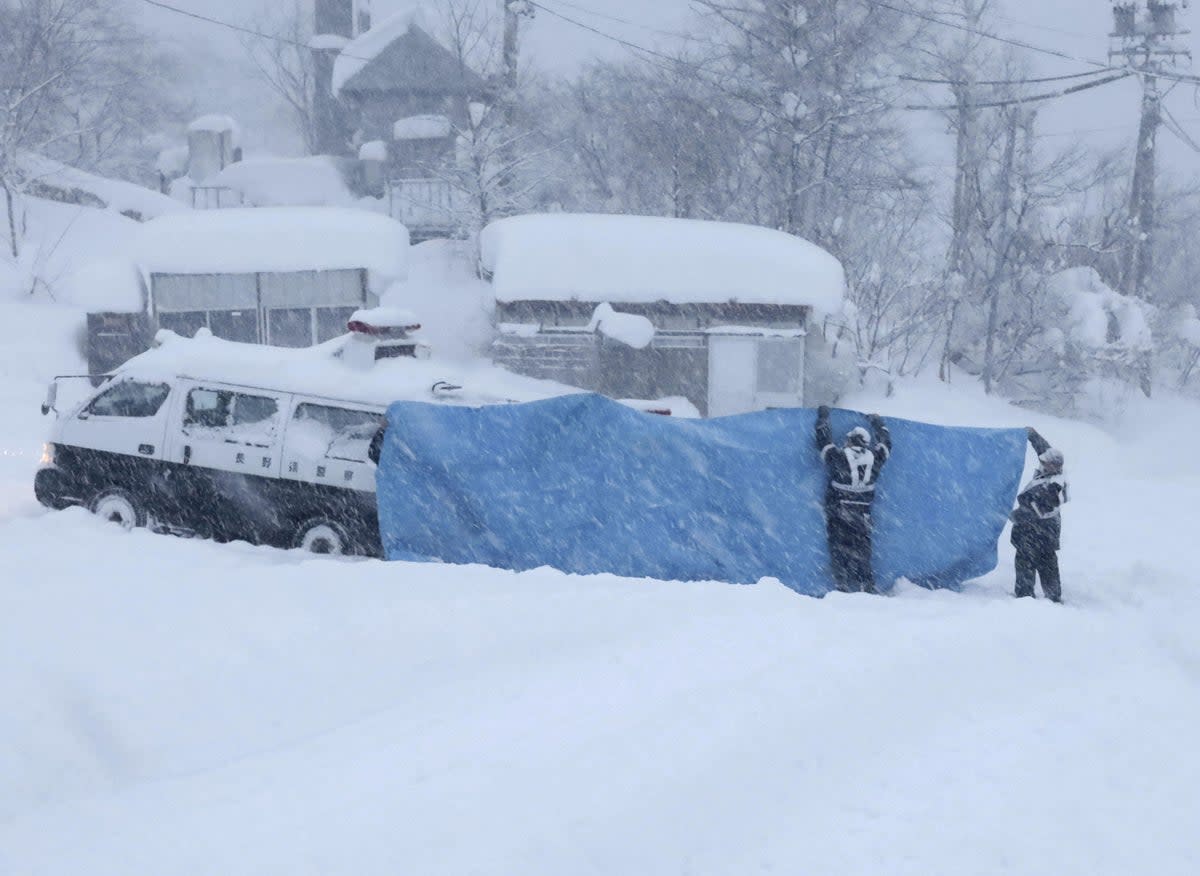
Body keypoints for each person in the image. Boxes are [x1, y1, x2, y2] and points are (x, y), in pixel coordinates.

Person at [815, 405, 891, 593]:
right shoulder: (875, 458)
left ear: (849, 441)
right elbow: (886, 444)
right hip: (862, 514)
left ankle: (842, 583)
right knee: (863, 551)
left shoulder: (839, 457)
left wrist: (823, 417)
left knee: (838, 549)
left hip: (839, 511)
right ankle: (867, 583)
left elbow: (823, 441)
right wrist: (878, 423)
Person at [1010, 428, 1068, 603]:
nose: (1042, 464)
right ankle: (1052, 595)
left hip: (1039, 531)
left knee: (1029, 561)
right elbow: (1044, 450)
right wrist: (1033, 435)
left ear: (1054, 466)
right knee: (1046, 561)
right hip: (1041, 532)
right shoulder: (1050, 471)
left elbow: (1039, 508)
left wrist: (1014, 515)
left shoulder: (1055, 486)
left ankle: (1026, 597)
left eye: (1046, 463)